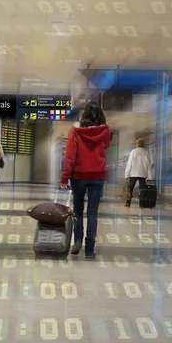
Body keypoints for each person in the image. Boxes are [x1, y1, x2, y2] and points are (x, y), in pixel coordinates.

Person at [60, 102, 111, 259]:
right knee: (92, 213)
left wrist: (64, 177)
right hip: (98, 175)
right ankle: (90, 248)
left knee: (78, 210)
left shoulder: (75, 131)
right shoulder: (105, 131)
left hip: (78, 175)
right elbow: (106, 146)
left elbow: (70, 156)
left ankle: (77, 242)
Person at [124, 138, 153, 208]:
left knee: (130, 188)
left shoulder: (133, 152)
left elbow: (129, 163)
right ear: (143, 144)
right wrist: (150, 176)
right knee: (142, 189)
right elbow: (149, 165)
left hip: (133, 173)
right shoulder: (146, 152)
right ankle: (142, 202)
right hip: (143, 173)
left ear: (137, 144)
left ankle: (128, 203)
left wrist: (127, 173)